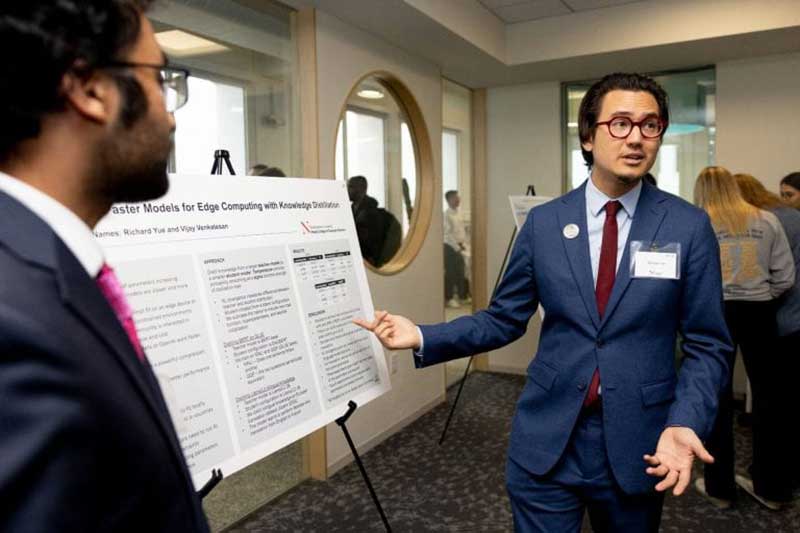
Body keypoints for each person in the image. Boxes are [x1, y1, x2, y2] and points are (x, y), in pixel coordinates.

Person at [356, 72, 731, 532]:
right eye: (620, 123)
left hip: (641, 439)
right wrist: (421, 335)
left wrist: (686, 421)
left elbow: (708, 344)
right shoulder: (545, 224)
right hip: (549, 438)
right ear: (588, 136)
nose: (636, 138)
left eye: (649, 125)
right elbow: (503, 319)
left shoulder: (687, 227)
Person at [0, 2, 209, 531]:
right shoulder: (14, 322)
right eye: (159, 79)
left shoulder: (45, 265)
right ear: (90, 90)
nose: (171, 114)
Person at [693, 167, 794, 511]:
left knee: (715, 397)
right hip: (759, 312)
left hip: (716, 311)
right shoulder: (767, 219)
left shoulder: (700, 222)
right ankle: (773, 489)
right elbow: (785, 275)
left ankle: (719, 488)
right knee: (770, 399)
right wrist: (763, 295)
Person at [734, 172, 800, 491]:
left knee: (772, 404)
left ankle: (771, 481)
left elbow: (776, 277)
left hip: (783, 321)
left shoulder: (767, 222)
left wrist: (760, 297)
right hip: (794, 320)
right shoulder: (791, 218)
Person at [347, 175, 401, 267]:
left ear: (361, 189)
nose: (347, 190)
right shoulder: (350, 211)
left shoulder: (372, 214)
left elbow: (373, 242)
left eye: (350, 187)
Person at [443, 190, 470, 308]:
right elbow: (447, 234)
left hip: (461, 246)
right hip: (450, 247)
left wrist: (464, 245)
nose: (458, 199)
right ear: (449, 200)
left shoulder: (460, 213)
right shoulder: (446, 215)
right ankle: (449, 298)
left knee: (461, 272)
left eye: (458, 197)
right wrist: (457, 247)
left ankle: (462, 296)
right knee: (451, 272)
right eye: (455, 198)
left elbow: (463, 231)